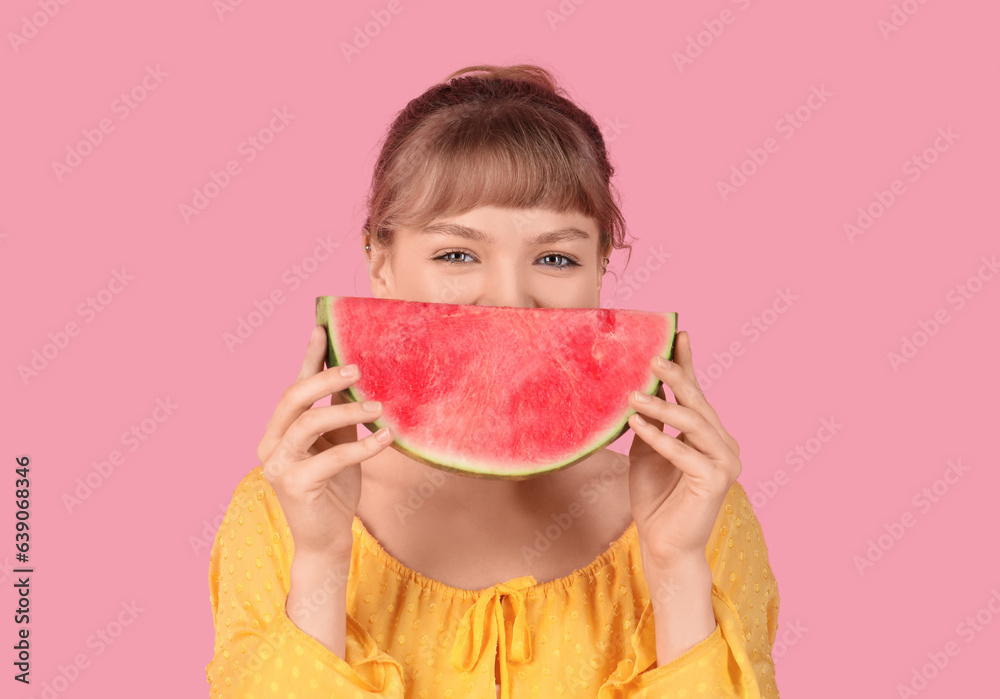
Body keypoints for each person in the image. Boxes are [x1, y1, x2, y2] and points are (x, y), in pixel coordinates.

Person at [206, 63, 781, 698]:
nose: (508, 300)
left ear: (599, 274)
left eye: (557, 258)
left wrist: (675, 566)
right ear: (381, 264)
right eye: (457, 254)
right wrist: (320, 563)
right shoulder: (280, 510)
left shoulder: (697, 506)